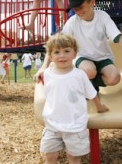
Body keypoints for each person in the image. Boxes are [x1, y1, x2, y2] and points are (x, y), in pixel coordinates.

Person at [34, 0, 122, 91]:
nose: (78, 12)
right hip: (83, 58)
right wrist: (44, 67)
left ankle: (91, 84)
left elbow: (119, 39)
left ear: (92, 2)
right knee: (89, 70)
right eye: (75, 9)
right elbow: (56, 43)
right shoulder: (72, 22)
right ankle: (86, 84)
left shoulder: (102, 17)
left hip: (103, 58)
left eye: (81, 7)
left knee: (114, 78)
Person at [40, 33, 109, 164]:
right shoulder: (47, 74)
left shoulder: (79, 75)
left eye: (67, 51)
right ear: (50, 56)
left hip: (75, 126)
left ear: (75, 53)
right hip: (52, 126)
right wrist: (39, 73)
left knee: (74, 158)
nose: (62, 55)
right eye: (57, 52)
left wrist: (100, 107)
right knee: (50, 158)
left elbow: (92, 93)